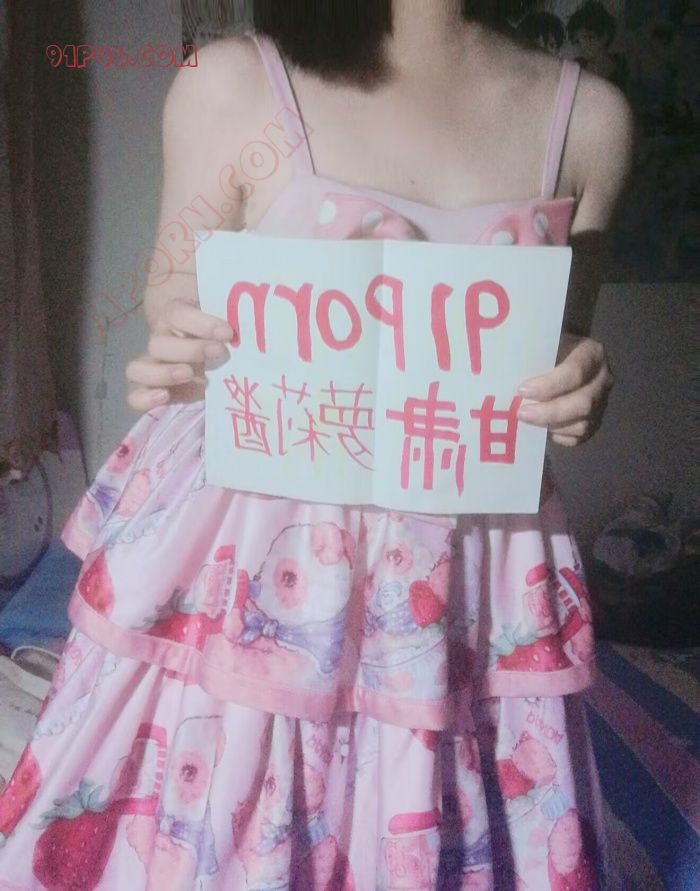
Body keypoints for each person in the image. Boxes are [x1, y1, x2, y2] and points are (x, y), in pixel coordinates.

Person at [0, 1, 633, 888]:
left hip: (462, 576)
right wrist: (177, 340)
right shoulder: (231, 85)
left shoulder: (591, 122)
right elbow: (174, 292)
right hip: (251, 552)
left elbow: (560, 341)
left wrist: (578, 379)